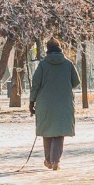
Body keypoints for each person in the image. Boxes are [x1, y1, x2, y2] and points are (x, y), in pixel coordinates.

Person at [30, 40, 79, 171]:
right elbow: (76, 81)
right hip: (64, 102)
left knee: (47, 132)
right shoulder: (68, 64)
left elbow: (35, 85)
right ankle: (55, 160)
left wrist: (31, 101)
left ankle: (48, 160)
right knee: (59, 132)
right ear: (60, 48)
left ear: (48, 49)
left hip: (45, 103)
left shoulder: (42, 65)